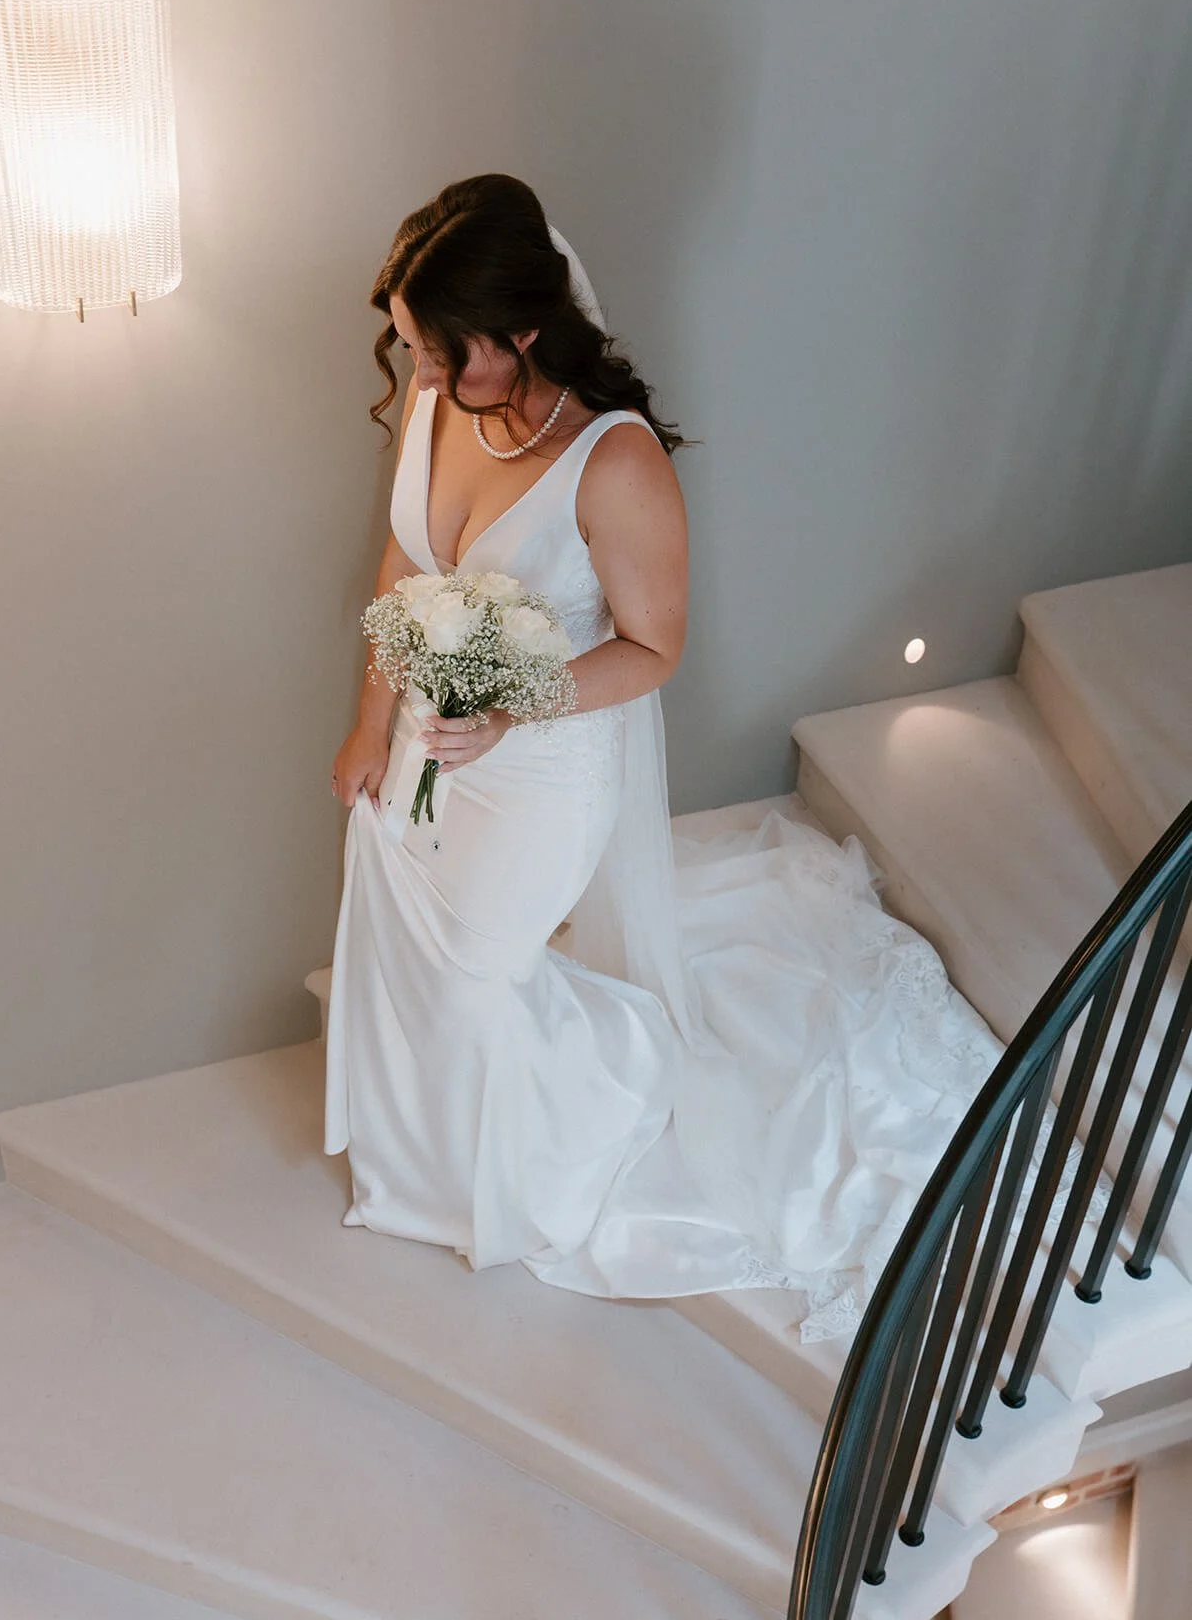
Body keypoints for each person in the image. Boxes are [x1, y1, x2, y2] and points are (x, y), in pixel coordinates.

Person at [325, 173, 999, 1339]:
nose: (421, 379)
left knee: (482, 969)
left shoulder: (616, 465)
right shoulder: (441, 405)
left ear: (524, 331)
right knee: (418, 954)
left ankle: (571, 1124)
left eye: (443, 355)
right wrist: (371, 720)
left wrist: (509, 708)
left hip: (542, 771)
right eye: (413, 349)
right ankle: (425, 1161)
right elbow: (402, 566)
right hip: (435, 743)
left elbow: (652, 650)